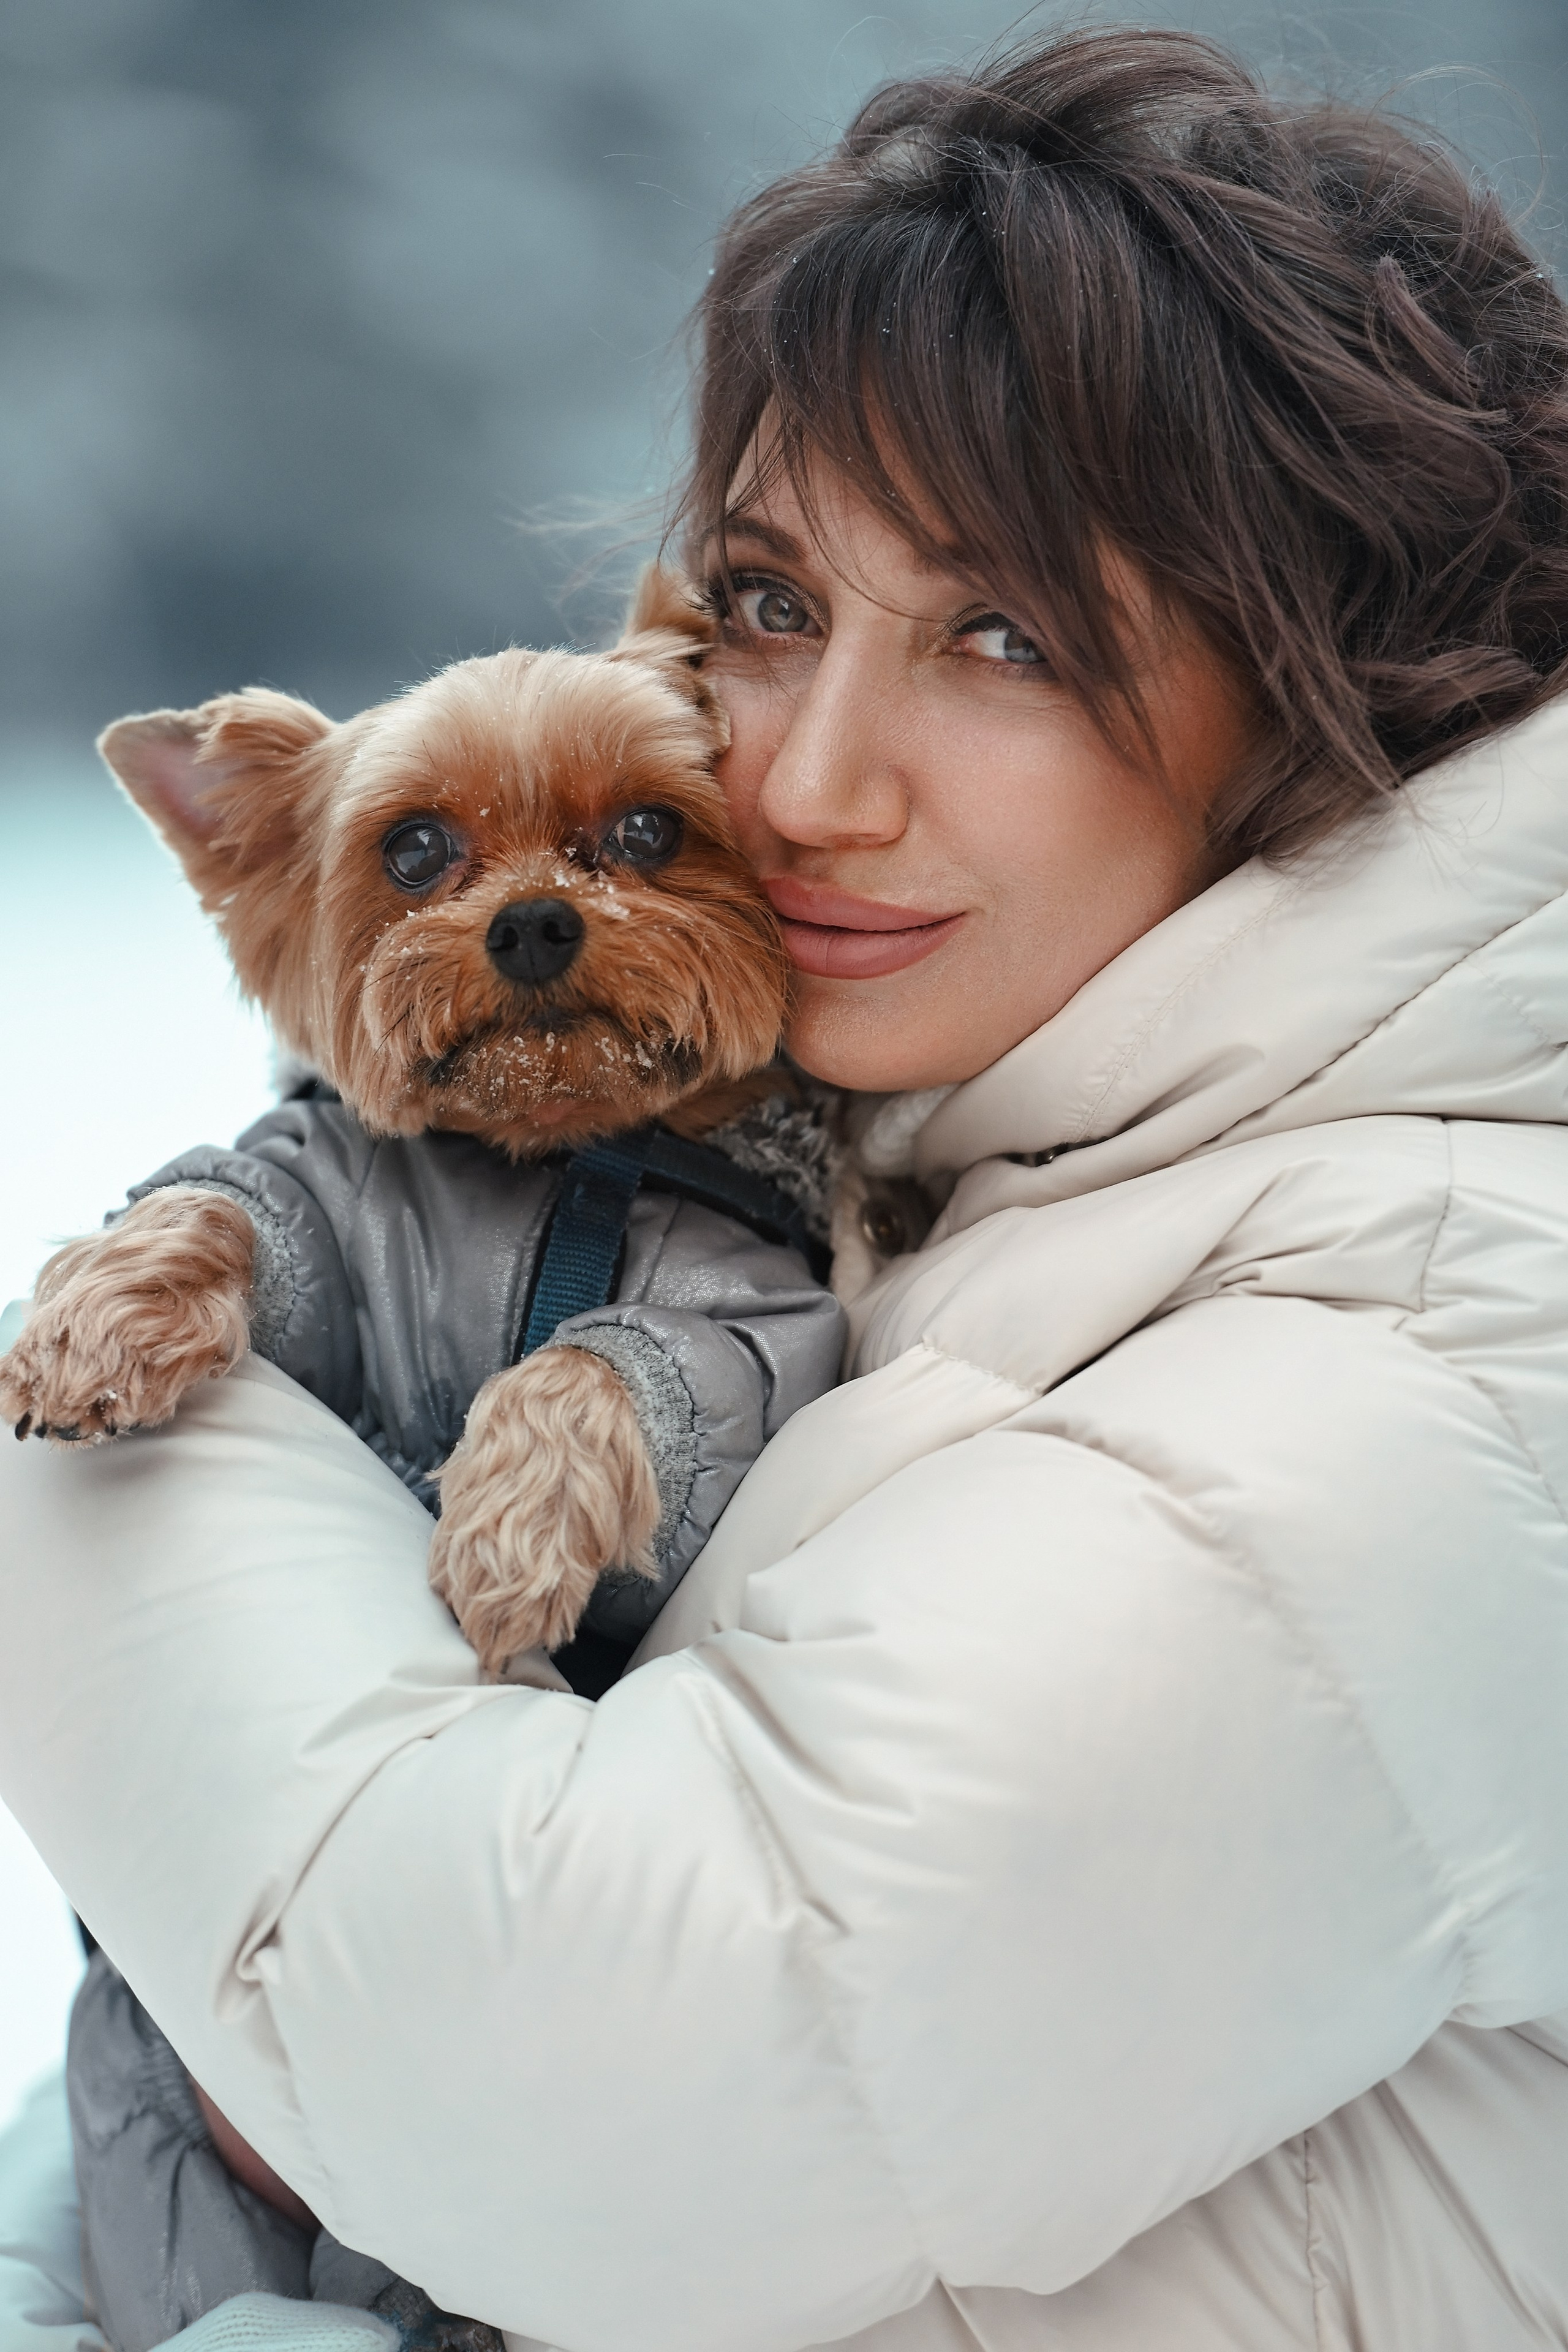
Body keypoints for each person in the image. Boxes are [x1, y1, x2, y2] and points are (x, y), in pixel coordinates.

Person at [5, 24, 1568, 2350]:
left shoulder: (1439, 1329)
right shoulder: (1004, 1169)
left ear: (1346, 695)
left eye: (1007, 639)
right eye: (765, 601)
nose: (808, 780)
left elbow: (600, 2080)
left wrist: (75, 1482)